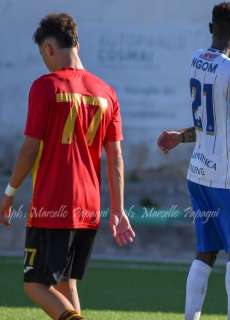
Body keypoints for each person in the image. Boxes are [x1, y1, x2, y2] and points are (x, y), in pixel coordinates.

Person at [0, 13, 135, 320]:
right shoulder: (107, 92)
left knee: (34, 284)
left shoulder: (46, 87)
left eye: (42, 54)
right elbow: (115, 157)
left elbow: (29, 149)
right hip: (88, 206)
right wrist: (118, 209)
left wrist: (9, 192)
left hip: (53, 203)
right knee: (65, 282)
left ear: (49, 48)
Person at [156, 2, 230, 319]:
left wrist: (180, 137)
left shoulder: (196, 60)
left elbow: (213, 121)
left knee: (204, 252)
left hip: (198, 172)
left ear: (211, 28)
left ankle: (190, 316)